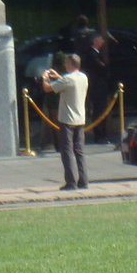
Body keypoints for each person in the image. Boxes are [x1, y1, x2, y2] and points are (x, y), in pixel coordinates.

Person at [42, 54, 89, 190]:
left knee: (67, 151)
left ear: (70, 64)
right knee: (79, 150)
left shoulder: (68, 79)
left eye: (66, 64)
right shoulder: (83, 77)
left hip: (67, 119)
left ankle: (71, 182)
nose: (65, 66)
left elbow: (47, 88)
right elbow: (68, 83)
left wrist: (45, 78)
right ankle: (83, 180)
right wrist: (58, 77)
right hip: (80, 118)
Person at [81, 31, 113, 141]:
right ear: (94, 41)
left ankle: (102, 134)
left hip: (101, 86)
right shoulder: (92, 54)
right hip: (97, 87)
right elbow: (101, 68)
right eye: (100, 39)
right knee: (99, 110)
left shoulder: (97, 53)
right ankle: (99, 135)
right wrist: (105, 66)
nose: (103, 41)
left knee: (102, 110)